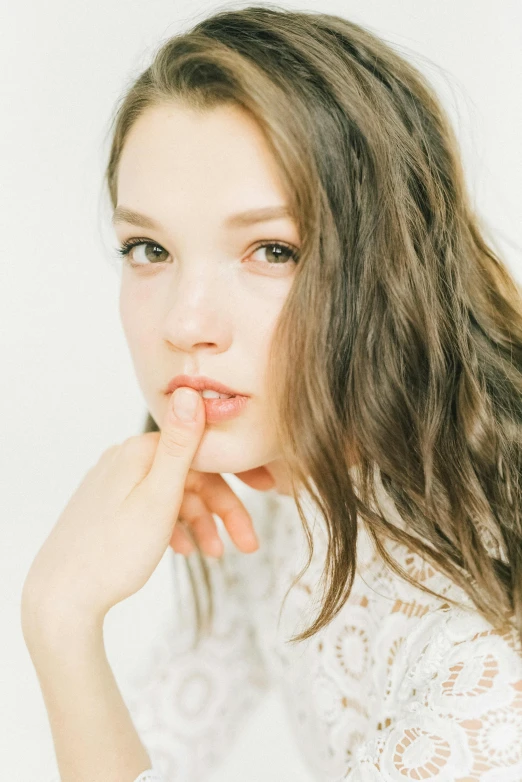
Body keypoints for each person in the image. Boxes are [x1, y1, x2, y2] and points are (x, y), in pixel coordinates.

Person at [21, 5, 522, 781]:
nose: (185, 324)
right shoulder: (274, 491)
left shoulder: (483, 664)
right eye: (148, 249)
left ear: (394, 266)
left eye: (272, 250)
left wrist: (60, 623)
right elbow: (170, 737)